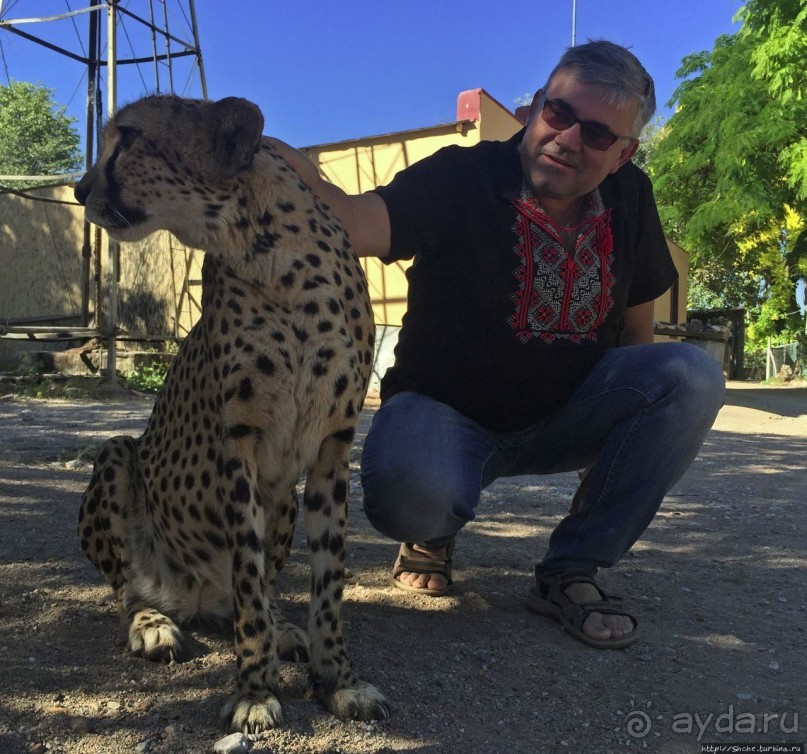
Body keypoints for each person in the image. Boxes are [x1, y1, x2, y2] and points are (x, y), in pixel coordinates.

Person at [269, 40, 725, 649]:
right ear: (537, 106)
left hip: (567, 413)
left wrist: (608, 467)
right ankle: (431, 534)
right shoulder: (461, 176)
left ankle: (572, 569)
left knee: (690, 375)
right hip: (445, 416)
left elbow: (636, 339)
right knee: (414, 492)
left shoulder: (630, 197)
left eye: (595, 134)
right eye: (559, 114)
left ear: (622, 155)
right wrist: (280, 166)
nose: (566, 139)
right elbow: (355, 222)